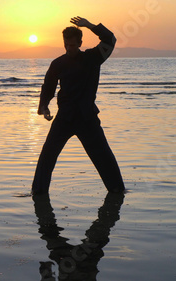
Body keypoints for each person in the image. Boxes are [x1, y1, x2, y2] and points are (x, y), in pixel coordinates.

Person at [32, 16, 125, 195]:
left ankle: (117, 190)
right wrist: (44, 107)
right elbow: (49, 86)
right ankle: (38, 192)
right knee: (47, 156)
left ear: (80, 43)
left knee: (104, 157)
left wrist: (90, 25)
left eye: (72, 45)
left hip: (87, 118)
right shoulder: (58, 63)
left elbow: (110, 40)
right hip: (64, 118)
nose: (69, 48)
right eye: (66, 45)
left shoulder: (93, 58)